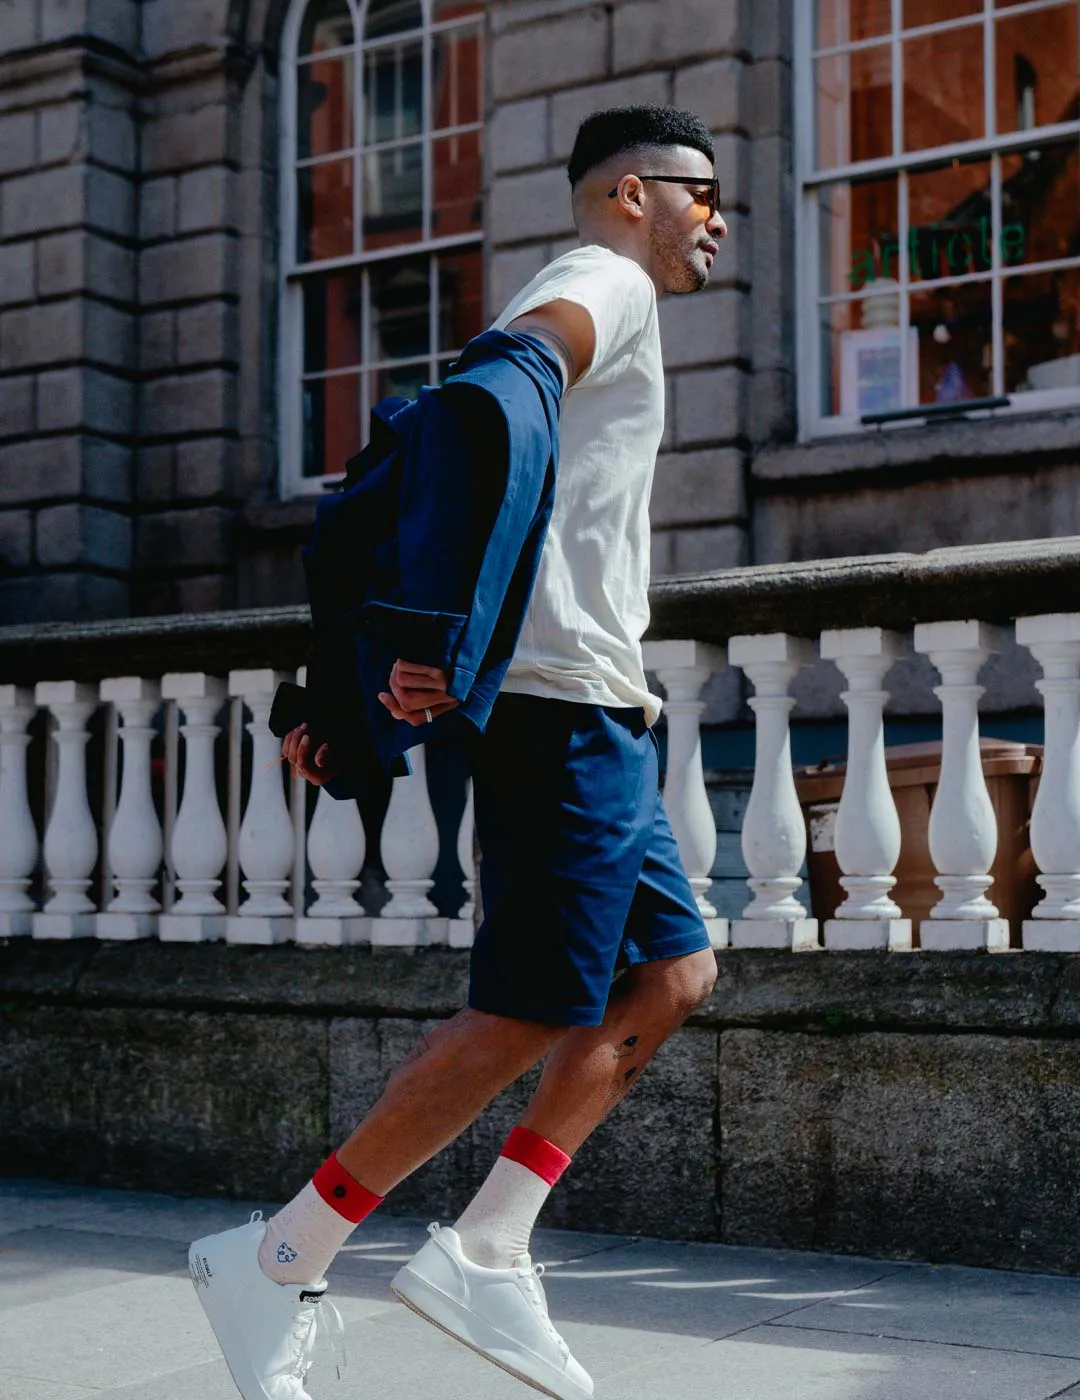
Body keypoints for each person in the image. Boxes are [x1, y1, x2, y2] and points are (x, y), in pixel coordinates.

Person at [189, 104, 728, 1400]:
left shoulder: (604, 292)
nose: (715, 219)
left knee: (672, 975)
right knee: (528, 1008)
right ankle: (277, 1256)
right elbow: (492, 397)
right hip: (556, 710)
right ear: (625, 197)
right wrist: (444, 628)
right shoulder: (603, 280)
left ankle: (485, 1245)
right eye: (696, 193)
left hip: (604, 705)